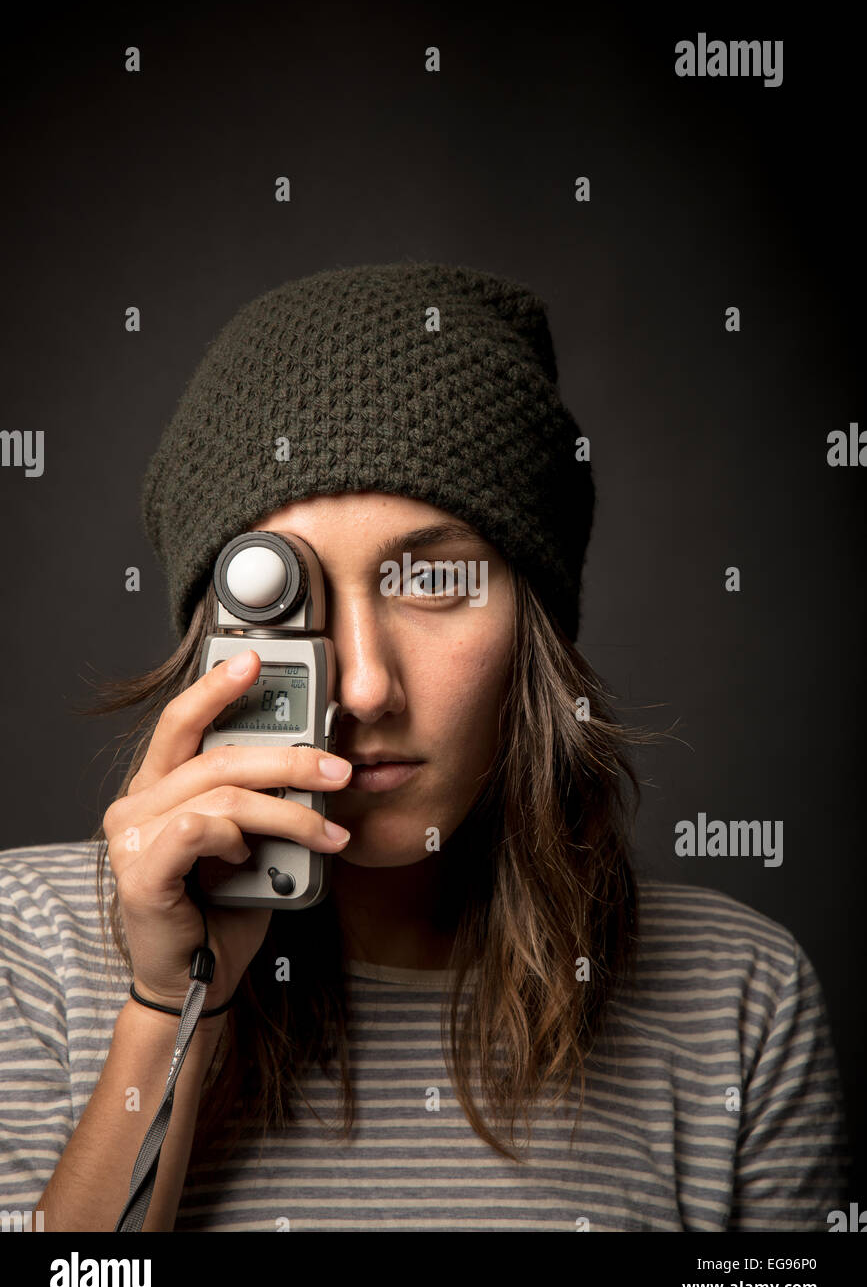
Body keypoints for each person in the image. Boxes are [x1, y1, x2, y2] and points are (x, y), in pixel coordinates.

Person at [0, 262, 850, 1232]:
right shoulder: (33, 942)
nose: (365, 685)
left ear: (533, 626)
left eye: (432, 581)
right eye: (289, 595)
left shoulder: (734, 993)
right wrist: (172, 1007)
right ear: (213, 639)